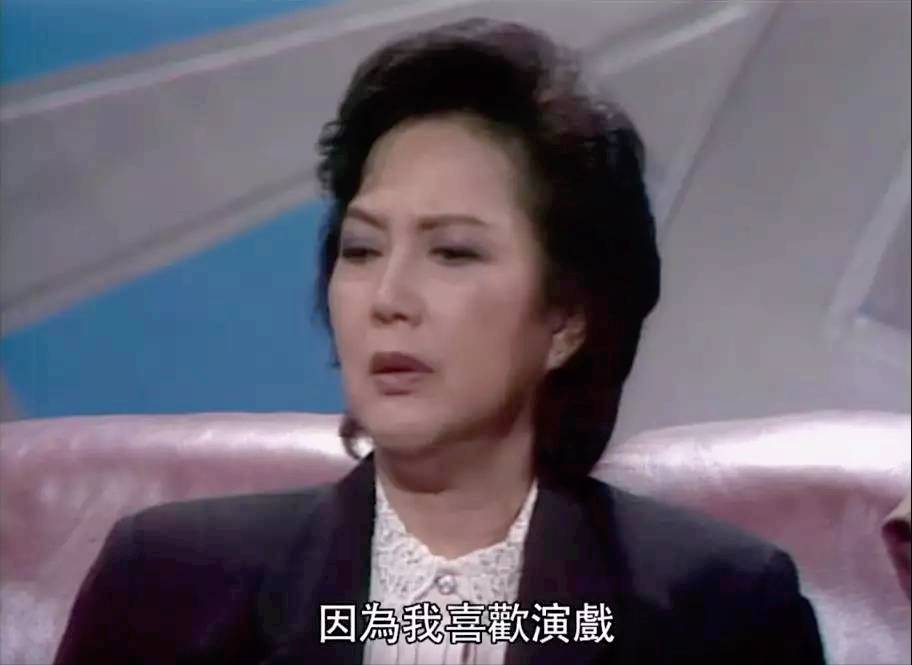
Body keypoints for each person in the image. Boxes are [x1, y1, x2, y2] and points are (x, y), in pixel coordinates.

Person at [54, 18, 825, 665]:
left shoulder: (720, 607)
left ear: (566, 317)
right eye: (361, 249)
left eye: (452, 252)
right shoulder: (168, 581)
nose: (389, 298)